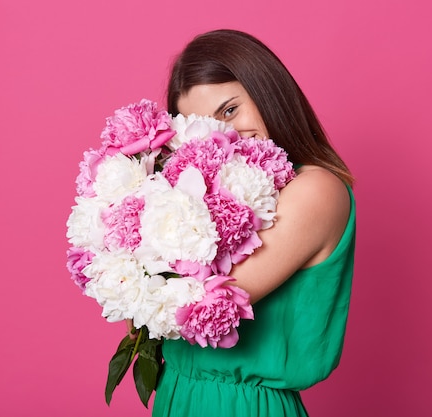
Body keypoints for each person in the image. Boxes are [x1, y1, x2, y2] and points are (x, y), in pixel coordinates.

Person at [132, 29, 356, 416]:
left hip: (243, 405)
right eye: (203, 127)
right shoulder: (210, 199)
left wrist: (140, 233)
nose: (225, 136)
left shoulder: (316, 190)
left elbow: (194, 302)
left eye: (230, 110)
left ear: (269, 93)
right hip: (178, 395)